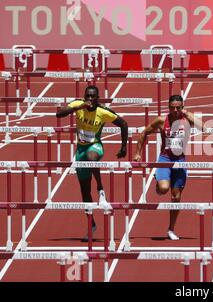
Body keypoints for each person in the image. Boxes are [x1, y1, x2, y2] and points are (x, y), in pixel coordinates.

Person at [56, 85, 128, 241]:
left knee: (92, 157)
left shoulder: (102, 112)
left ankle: (101, 190)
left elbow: (123, 124)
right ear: (84, 96)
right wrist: (78, 107)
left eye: (93, 97)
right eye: (87, 96)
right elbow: (59, 114)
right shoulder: (78, 105)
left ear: (97, 98)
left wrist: (123, 147)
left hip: (95, 146)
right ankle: (91, 225)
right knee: (85, 192)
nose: (89, 99)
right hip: (80, 151)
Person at [133, 95, 204, 240]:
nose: (175, 110)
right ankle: (159, 182)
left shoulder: (187, 119)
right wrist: (137, 154)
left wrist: (188, 114)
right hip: (165, 158)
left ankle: (171, 229)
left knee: (176, 197)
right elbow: (144, 133)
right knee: (164, 189)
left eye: (178, 107)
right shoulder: (161, 120)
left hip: (180, 160)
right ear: (168, 107)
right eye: (172, 107)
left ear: (182, 107)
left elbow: (204, 128)